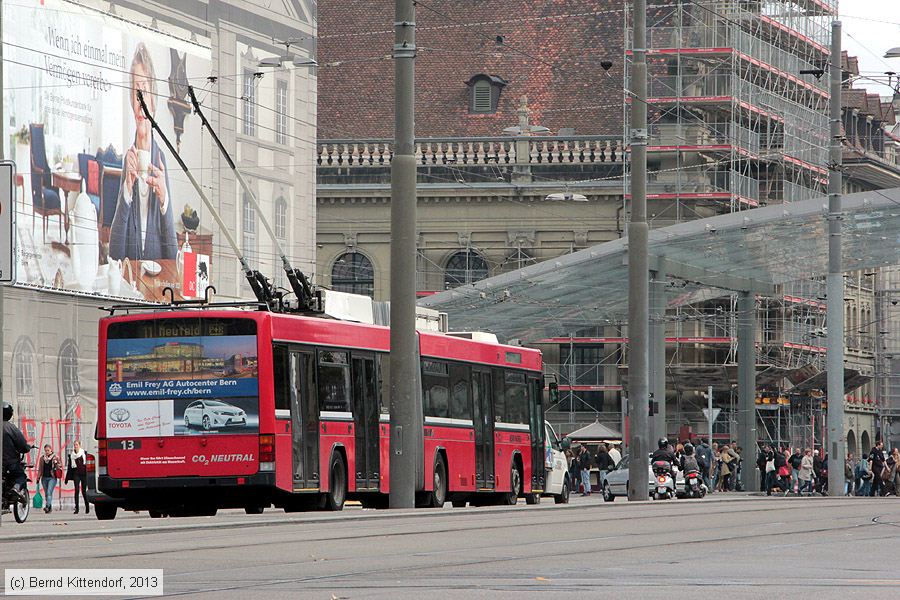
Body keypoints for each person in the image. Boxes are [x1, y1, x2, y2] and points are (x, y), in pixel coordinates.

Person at [109, 42, 177, 262]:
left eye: (144, 91)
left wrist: (164, 198)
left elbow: (172, 255)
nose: (140, 101)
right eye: (135, 92)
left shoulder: (160, 161)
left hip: (156, 288)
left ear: (153, 100)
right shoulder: (128, 162)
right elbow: (115, 253)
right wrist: (127, 191)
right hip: (130, 287)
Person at [2, 402, 31, 502]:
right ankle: (16, 488)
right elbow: (22, 444)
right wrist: (27, 448)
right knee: (21, 476)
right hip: (9, 462)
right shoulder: (10, 427)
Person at [36, 444, 61, 514]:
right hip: (44, 478)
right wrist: (38, 477)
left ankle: (47, 506)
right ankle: (49, 508)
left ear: (51, 450)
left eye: (48, 450)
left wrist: (56, 464)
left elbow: (60, 466)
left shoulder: (55, 457)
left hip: (52, 478)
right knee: (46, 494)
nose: (47, 452)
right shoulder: (42, 458)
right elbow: (40, 469)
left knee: (49, 492)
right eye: (46, 450)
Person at [66, 440, 90, 514]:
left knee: (83, 491)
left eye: (76, 444)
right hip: (76, 474)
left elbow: (87, 464)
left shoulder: (84, 453)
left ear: (79, 445)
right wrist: (67, 478)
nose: (75, 446)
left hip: (84, 474)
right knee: (76, 490)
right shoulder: (72, 455)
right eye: (74, 445)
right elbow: (70, 467)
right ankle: (77, 508)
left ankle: (87, 506)